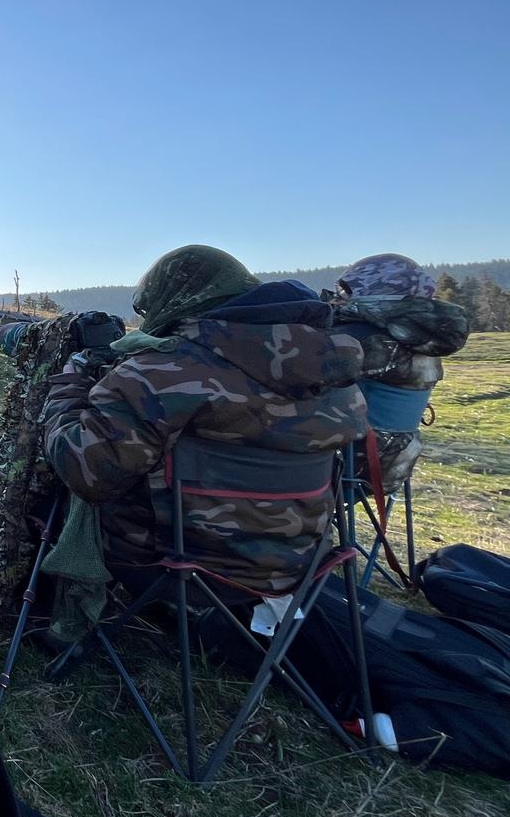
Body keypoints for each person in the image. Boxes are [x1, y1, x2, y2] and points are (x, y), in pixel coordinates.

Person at [42, 245, 368, 597]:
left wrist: (70, 384)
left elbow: (84, 470)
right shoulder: (339, 378)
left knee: (46, 498)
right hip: (302, 567)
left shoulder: (164, 371)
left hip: (179, 571)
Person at [330, 253, 470, 489]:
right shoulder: (420, 337)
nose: (342, 296)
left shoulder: (362, 338)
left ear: (373, 287)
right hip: (394, 463)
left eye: (347, 289)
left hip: (349, 465)